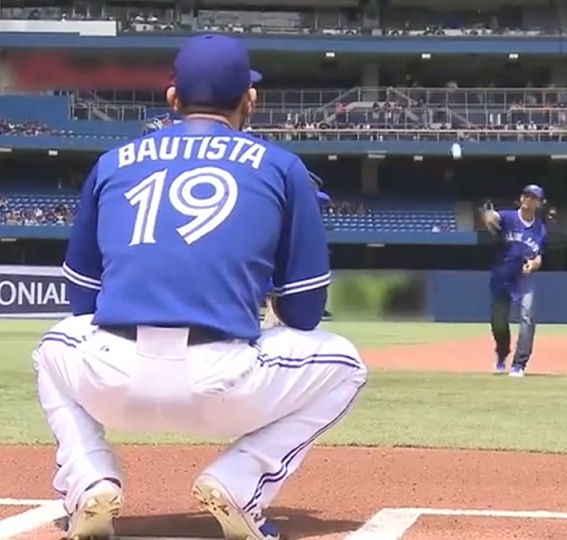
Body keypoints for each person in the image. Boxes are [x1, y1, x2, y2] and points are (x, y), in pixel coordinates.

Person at [33, 34, 368, 540]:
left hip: (112, 382)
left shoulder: (113, 162)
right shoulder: (280, 166)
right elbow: (304, 312)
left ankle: (89, 481)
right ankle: (241, 478)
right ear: (249, 100)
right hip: (226, 387)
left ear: (172, 99)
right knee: (346, 365)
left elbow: (84, 300)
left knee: (51, 349)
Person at [481, 184, 548, 377]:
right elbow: (493, 218)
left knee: (528, 318)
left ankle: (519, 364)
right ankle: (502, 354)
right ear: (521, 198)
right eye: (526, 196)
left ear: (539, 203)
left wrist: (535, 264)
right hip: (501, 276)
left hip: (522, 279)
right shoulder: (509, 217)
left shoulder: (540, 230)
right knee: (498, 322)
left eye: (533, 197)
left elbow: (539, 256)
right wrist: (488, 216)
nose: (529, 200)